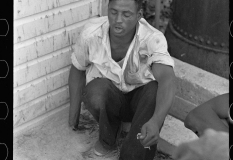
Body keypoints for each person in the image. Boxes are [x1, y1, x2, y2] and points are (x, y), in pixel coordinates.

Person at [68, 0, 176, 159]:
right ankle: (107, 141)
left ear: (139, 15)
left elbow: (168, 80)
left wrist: (156, 121)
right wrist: (73, 119)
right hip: (111, 100)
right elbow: (77, 69)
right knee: (95, 91)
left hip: (141, 105)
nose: (118, 19)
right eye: (113, 12)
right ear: (107, 9)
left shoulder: (152, 39)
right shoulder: (92, 33)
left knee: (154, 90)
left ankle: (135, 153)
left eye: (126, 14)